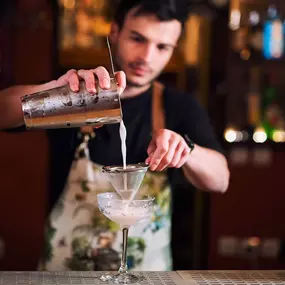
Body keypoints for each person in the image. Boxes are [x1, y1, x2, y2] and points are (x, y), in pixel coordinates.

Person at [0, 0, 230, 271]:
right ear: (115, 32)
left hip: (146, 276)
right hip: (65, 276)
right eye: (137, 38)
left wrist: (186, 148)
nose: (147, 57)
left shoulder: (179, 107)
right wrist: (52, 92)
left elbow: (220, 180)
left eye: (162, 47)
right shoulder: (79, 95)